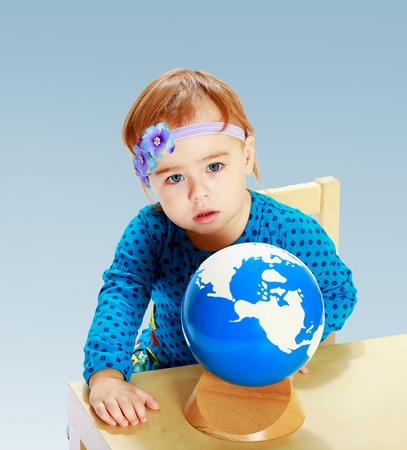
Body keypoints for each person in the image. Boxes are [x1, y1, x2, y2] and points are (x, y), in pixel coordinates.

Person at [83, 68, 357, 428]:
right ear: (149, 180)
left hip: (264, 379)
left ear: (245, 156)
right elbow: (122, 294)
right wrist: (106, 376)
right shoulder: (151, 232)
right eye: (175, 177)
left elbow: (339, 291)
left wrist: (296, 341)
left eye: (214, 166)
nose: (199, 193)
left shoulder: (289, 230)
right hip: (171, 375)